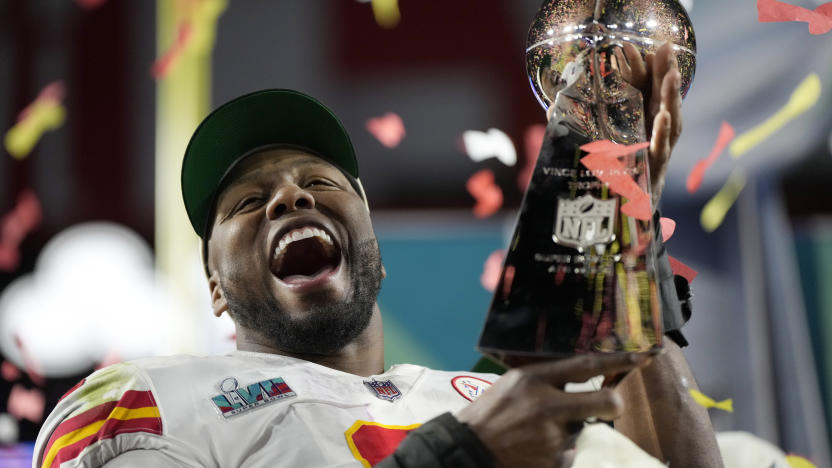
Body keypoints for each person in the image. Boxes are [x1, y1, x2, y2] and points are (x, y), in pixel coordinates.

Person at [33, 43, 723, 468]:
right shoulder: (146, 403)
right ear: (214, 286)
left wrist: (625, 252)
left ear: (376, 256)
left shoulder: (490, 399)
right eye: (248, 203)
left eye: (320, 184)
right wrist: (462, 455)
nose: (288, 199)